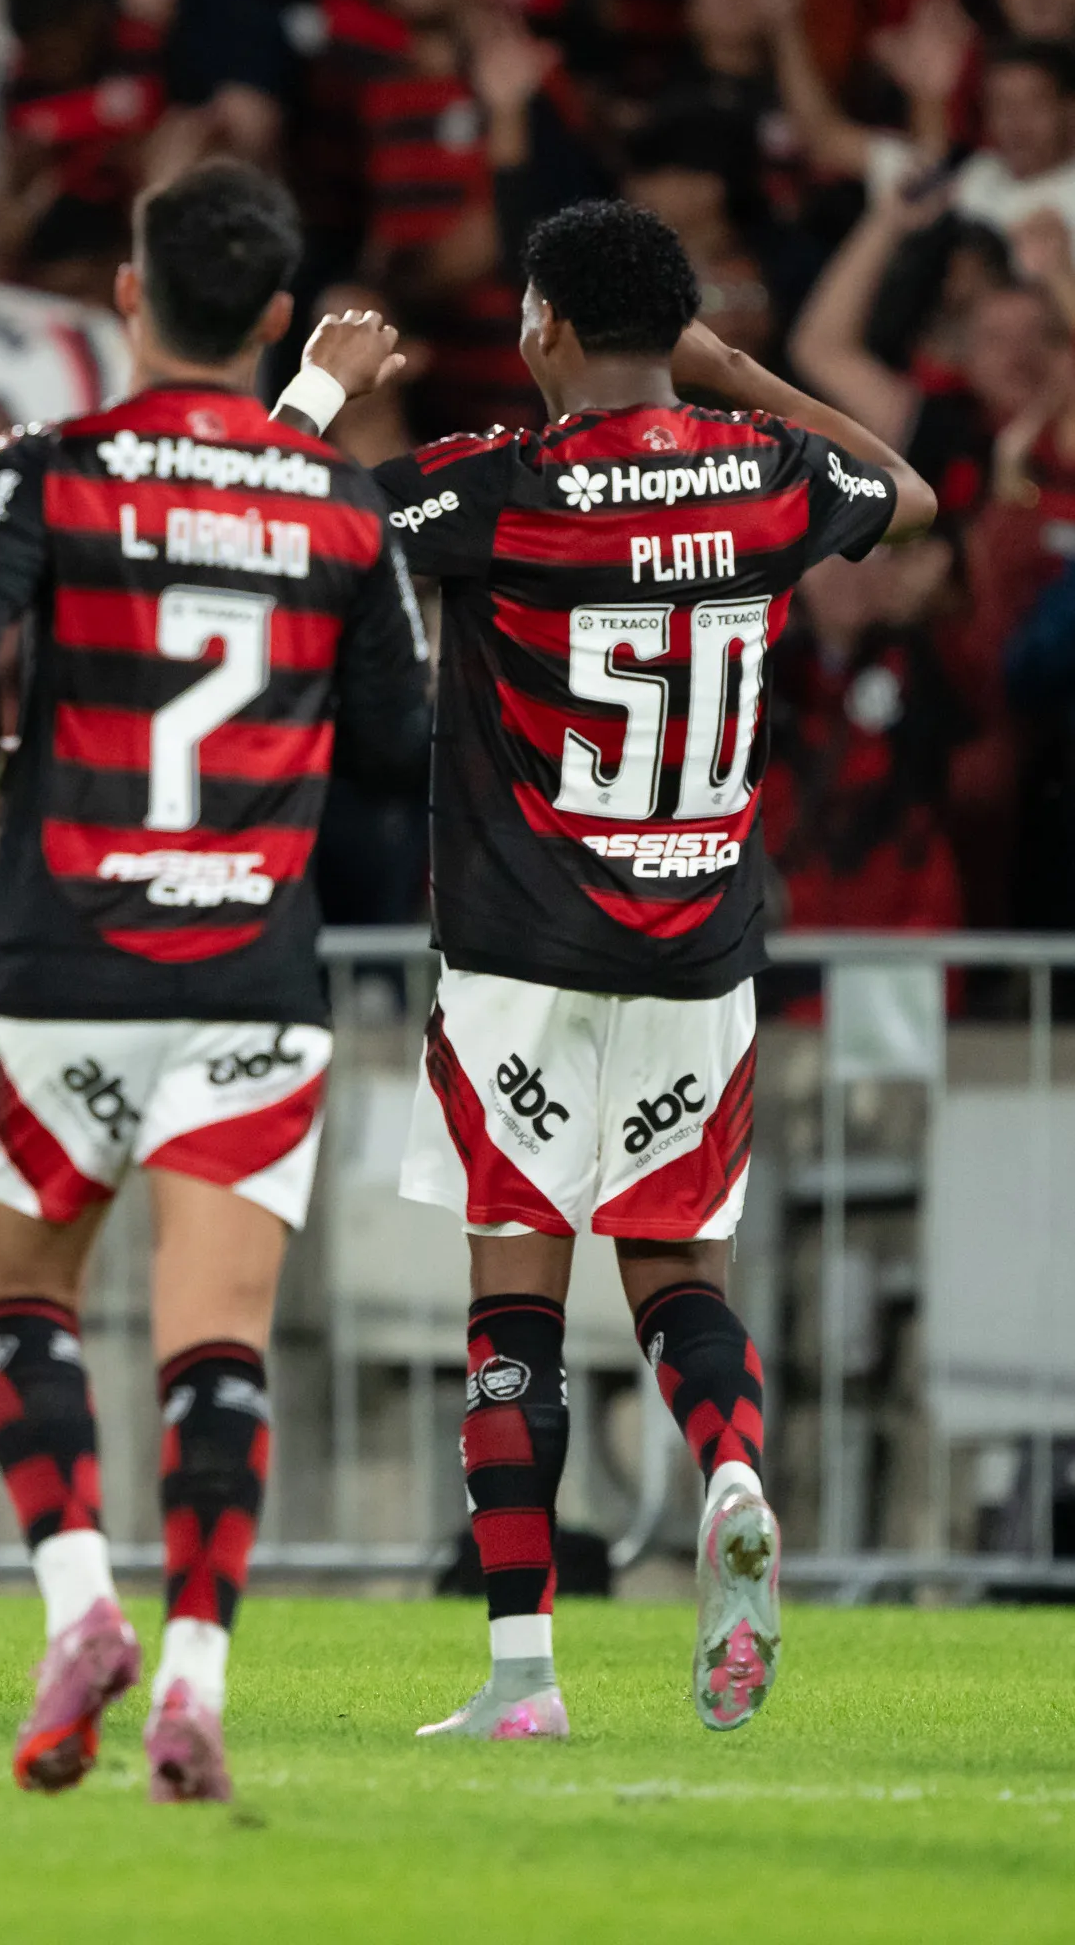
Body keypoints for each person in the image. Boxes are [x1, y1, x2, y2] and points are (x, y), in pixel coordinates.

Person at [280, 198, 938, 1738]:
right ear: (676, 332)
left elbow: (283, 542)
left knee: (515, 1307)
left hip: (520, 952)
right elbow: (903, 492)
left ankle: (523, 1677)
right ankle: (728, 1468)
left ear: (546, 329)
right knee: (677, 1280)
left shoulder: (499, 488)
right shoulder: (771, 476)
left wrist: (320, 395)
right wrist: (743, 378)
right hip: (700, 956)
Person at [0, 165, 432, 1800]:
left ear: (127, 297)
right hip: (249, 971)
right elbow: (402, 747)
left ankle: (80, 1601)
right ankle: (194, 1673)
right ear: (279, 314)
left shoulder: (50, 469)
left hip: (67, 957)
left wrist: (0, 777)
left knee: (24, 1310)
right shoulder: (342, 504)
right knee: (216, 1351)